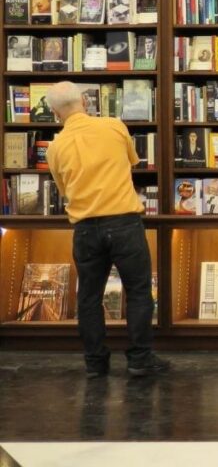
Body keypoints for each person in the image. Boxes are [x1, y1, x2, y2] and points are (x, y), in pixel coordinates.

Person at [45, 81, 169, 378]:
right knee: (139, 292)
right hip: (124, 223)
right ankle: (140, 359)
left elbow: (65, 191)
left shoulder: (55, 148)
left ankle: (95, 363)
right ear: (84, 102)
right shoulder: (114, 126)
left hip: (86, 229)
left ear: (54, 113)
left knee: (88, 297)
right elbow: (130, 163)